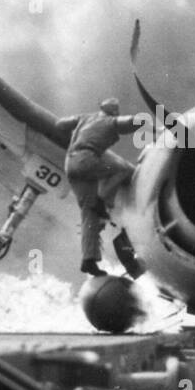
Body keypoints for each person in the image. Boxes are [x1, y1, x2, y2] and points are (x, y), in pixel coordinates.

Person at [56, 98, 137, 275]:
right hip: (87, 160)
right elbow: (130, 122)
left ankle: (88, 261)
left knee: (89, 215)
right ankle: (103, 199)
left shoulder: (84, 117)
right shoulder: (111, 121)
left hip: (70, 163)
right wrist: (149, 124)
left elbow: (60, 124)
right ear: (115, 112)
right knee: (122, 169)